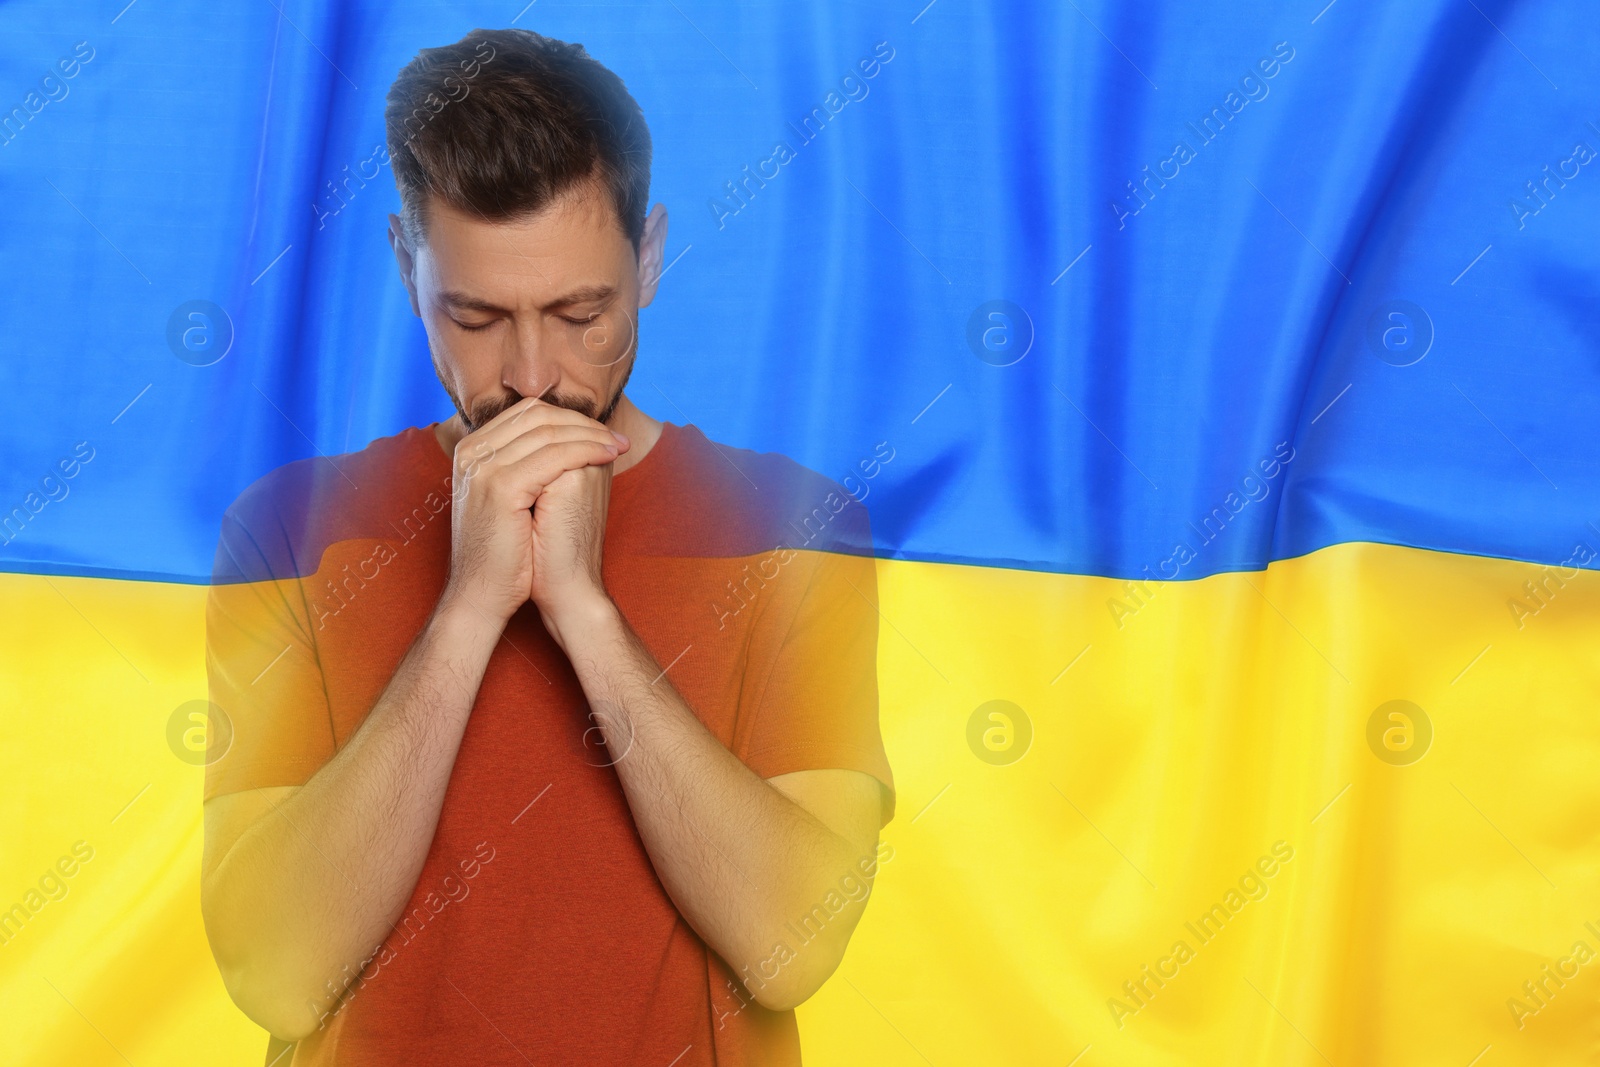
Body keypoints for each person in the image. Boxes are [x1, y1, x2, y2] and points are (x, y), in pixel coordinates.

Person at [199, 27, 894, 1066]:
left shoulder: (790, 525)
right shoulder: (293, 528)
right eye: (475, 316)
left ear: (649, 259)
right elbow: (277, 972)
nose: (532, 375)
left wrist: (582, 610)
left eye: (581, 312)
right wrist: (469, 608)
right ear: (405, 265)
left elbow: (790, 948)